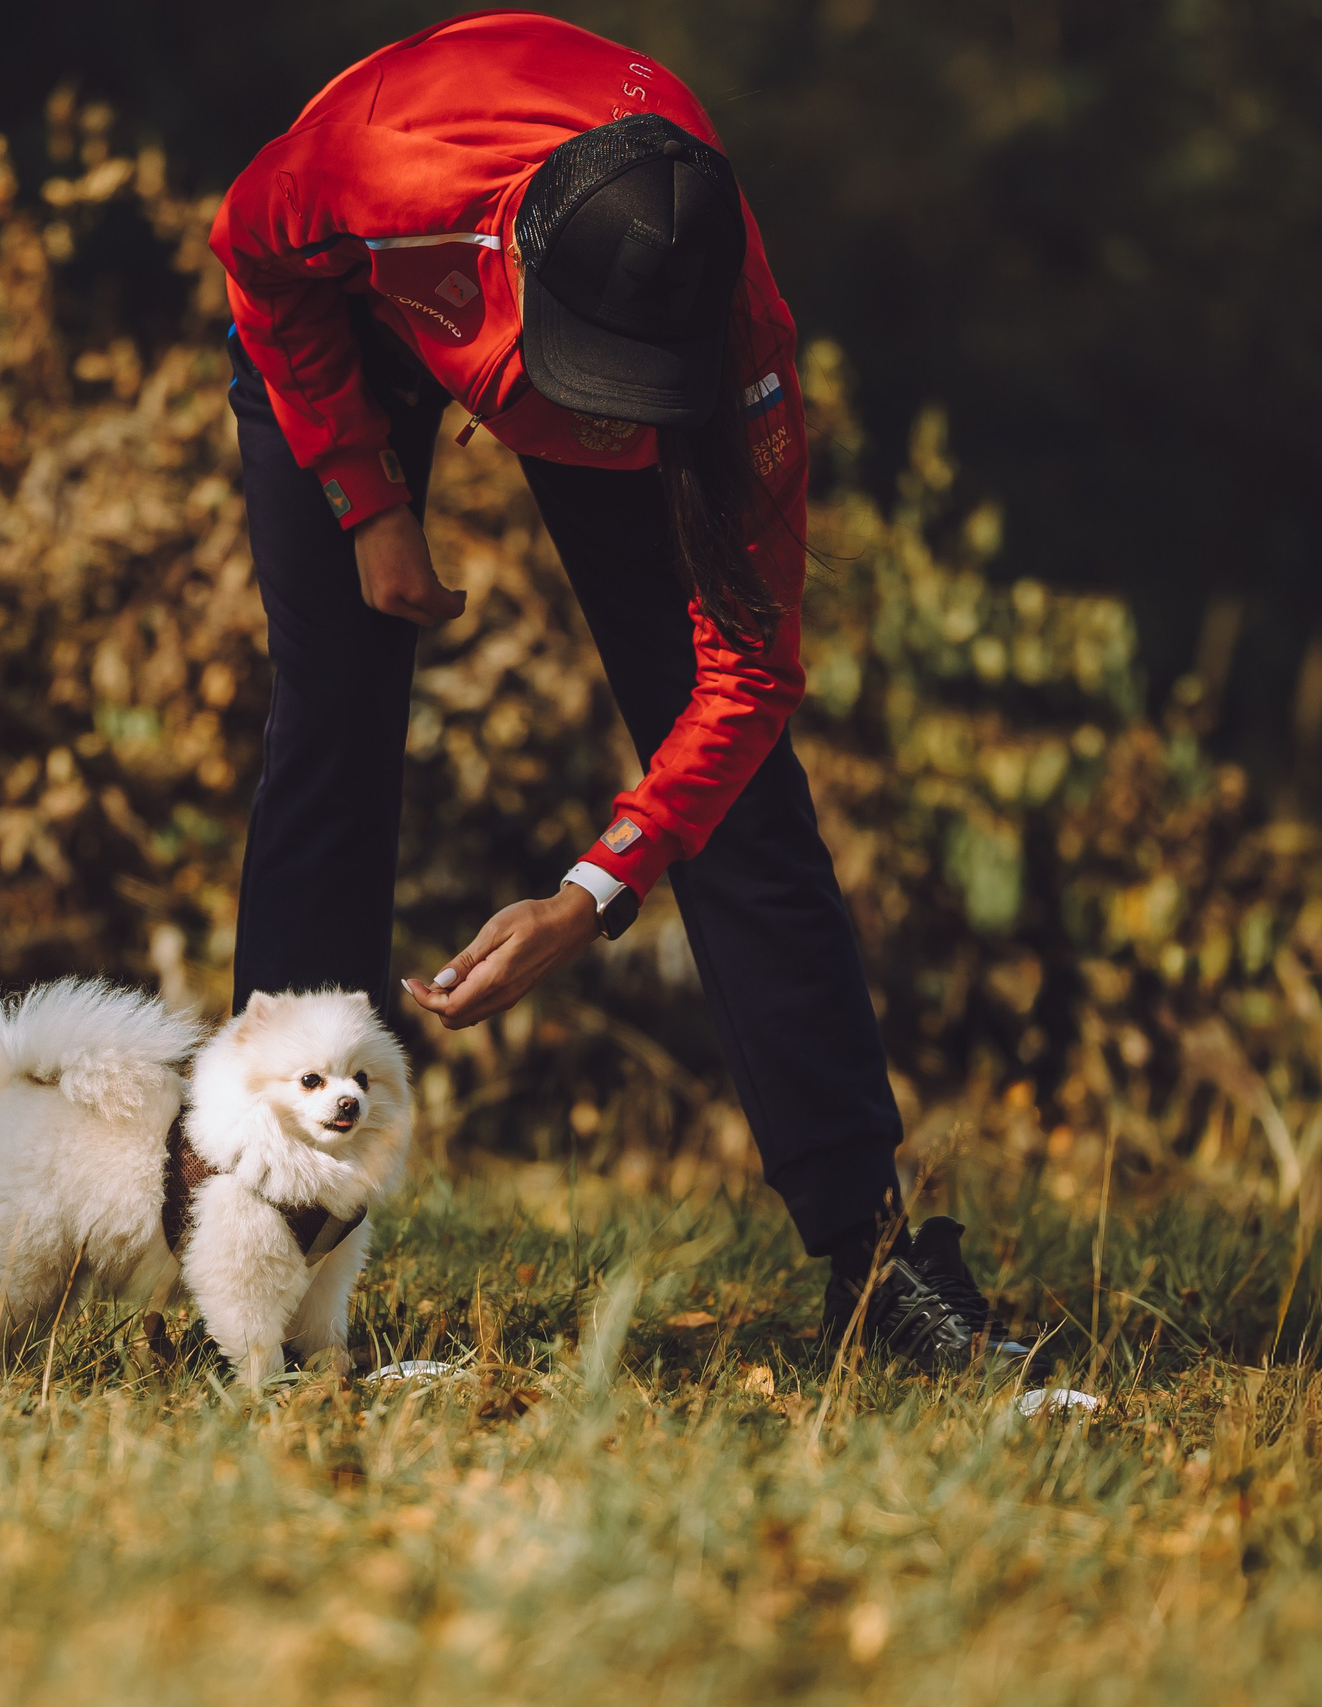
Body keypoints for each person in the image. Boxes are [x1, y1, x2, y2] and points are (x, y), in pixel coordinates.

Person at [209, 11, 1030, 1373]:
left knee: (743, 797)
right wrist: (366, 500)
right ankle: (269, 1269)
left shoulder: (735, 363)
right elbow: (254, 252)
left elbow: (750, 676)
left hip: (608, 322)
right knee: (331, 742)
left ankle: (875, 1264)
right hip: (361, 320)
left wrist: (593, 896)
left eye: (636, 400)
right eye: (587, 389)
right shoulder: (378, 174)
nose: (604, 423)